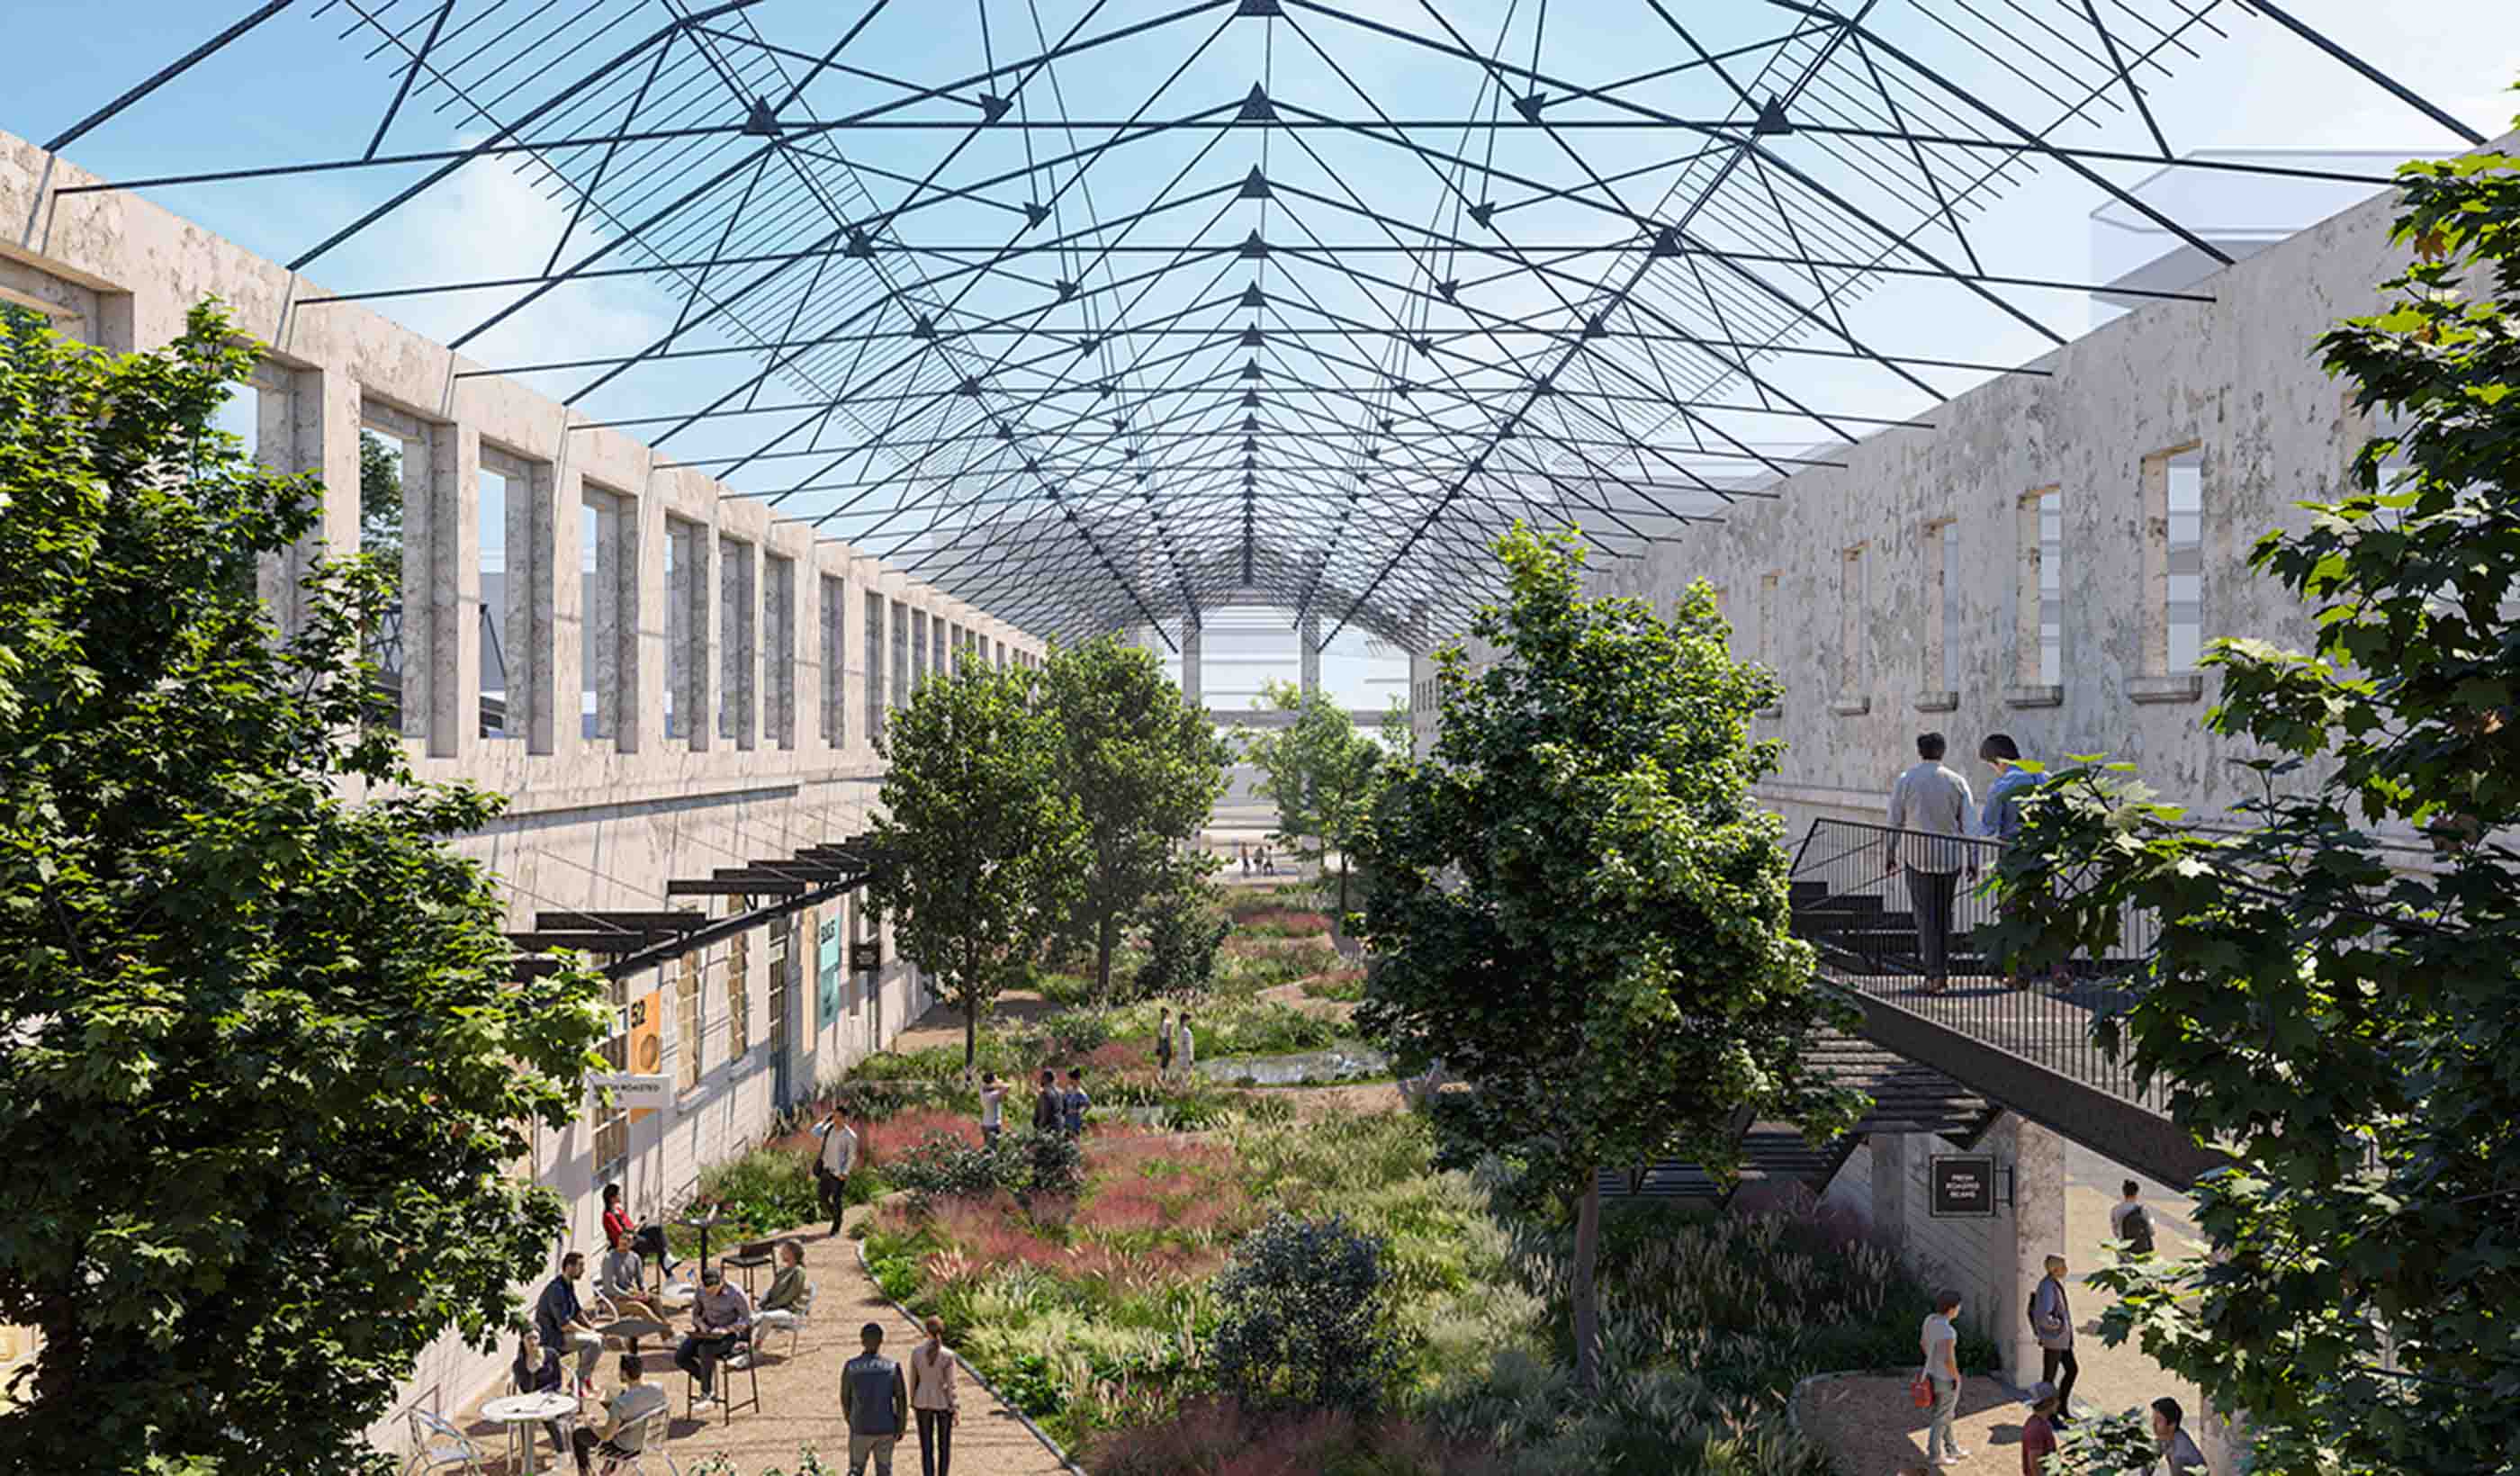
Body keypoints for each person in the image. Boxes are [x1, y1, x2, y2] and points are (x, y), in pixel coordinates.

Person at [1976, 734, 2072, 991]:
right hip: (2044, 854)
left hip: (2013, 856)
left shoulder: (2001, 786)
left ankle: (2018, 973)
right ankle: (2060, 969)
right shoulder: (2044, 776)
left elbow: (1989, 826)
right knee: (2048, 911)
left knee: (2012, 914)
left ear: (1997, 761)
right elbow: (2061, 813)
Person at [1886, 732, 1976, 993]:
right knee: (1944, 914)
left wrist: (1889, 853)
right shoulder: (1956, 781)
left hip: (1918, 857)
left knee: (1925, 917)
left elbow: (1895, 819)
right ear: (1942, 751)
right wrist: (1973, 858)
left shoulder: (1907, 779)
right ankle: (1942, 971)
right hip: (1949, 857)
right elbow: (1969, 824)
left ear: (1920, 751)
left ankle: (1933, 975)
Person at [571, 1354, 669, 1475]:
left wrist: (590, 1423)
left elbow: (606, 1436)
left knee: (578, 1435)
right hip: (650, 1441)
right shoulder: (658, 1388)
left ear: (624, 1374)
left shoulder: (621, 1403)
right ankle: (607, 1469)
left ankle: (586, 1473)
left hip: (626, 1448)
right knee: (617, 1427)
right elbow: (639, 1406)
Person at [673, 1265, 752, 1410]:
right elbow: (695, 1315)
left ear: (721, 1282)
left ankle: (706, 1393)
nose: (710, 1294)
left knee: (704, 1350)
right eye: (707, 1291)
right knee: (680, 1356)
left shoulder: (735, 1293)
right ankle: (705, 1379)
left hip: (729, 1335)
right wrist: (701, 1324)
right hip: (706, 1331)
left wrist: (727, 1329)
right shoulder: (700, 1290)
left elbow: (747, 1320)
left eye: (713, 1290)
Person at [843, 1320, 912, 1476]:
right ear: (881, 1341)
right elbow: (901, 1399)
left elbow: (845, 1398)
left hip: (860, 1426)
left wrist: (850, 1419)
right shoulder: (892, 1367)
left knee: (856, 1469)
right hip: (886, 1427)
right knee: (884, 1470)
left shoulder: (851, 1367)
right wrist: (901, 1425)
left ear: (862, 1340)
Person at [536, 1252, 605, 1398]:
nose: (583, 1270)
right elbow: (565, 1325)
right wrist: (589, 1333)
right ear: (569, 1267)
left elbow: (578, 1311)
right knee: (594, 1342)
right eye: (581, 1266)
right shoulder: (557, 1290)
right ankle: (577, 1383)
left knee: (599, 1338)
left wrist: (591, 1327)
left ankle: (586, 1379)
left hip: (564, 1334)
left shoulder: (567, 1284)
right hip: (553, 1339)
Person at [907, 1314, 958, 1476]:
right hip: (942, 1401)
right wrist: (954, 1406)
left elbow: (913, 1379)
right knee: (944, 1446)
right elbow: (950, 1384)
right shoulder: (948, 1355)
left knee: (926, 1447)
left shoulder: (916, 1353)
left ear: (926, 1331)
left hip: (922, 1400)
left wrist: (912, 1399)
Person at [1920, 1289, 1966, 1466]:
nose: (1959, 1309)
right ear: (1952, 1309)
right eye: (1958, 1307)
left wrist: (1933, 1360)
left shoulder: (1929, 1320)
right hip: (1946, 1379)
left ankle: (1952, 1448)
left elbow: (1923, 1344)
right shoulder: (1948, 1331)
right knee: (1942, 1417)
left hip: (1931, 1374)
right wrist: (1956, 1377)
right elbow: (1949, 1359)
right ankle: (1935, 1454)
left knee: (1945, 1414)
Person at [2030, 1254, 2078, 1420]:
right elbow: (2044, 1317)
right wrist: (2060, 1325)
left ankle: (2062, 1408)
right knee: (2048, 1381)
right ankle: (2050, 1415)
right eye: (2064, 1267)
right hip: (2054, 1340)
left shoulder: (2052, 1283)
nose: (2066, 1269)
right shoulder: (2047, 1287)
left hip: (2061, 1340)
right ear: (2056, 1269)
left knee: (2071, 1370)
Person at [608, 1183, 677, 1279]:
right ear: (612, 1198)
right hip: (628, 1242)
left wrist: (639, 1225)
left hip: (634, 1234)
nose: (621, 1195)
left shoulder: (618, 1209)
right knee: (658, 1244)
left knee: (657, 1230)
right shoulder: (609, 1215)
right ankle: (668, 1267)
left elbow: (630, 1226)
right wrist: (636, 1227)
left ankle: (667, 1260)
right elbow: (621, 1233)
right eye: (618, 1194)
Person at [597, 1228, 662, 1324]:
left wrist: (645, 1290)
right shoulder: (609, 1258)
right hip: (614, 1299)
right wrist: (630, 1296)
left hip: (631, 1293)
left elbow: (640, 1280)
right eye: (623, 1238)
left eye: (628, 1240)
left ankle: (664, 1326)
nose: (624, 1241)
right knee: (640, 1308)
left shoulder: (635, 1257)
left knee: (655, 1299)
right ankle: (663, 1326)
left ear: (633, 1243)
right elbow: (610, 1287)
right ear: (619, 1239)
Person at [817, 1109, 860, 1238]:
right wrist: (825, 1120)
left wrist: (845, 1172)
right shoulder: (829, 1129)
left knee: (836, 1200)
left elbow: (852, 1157)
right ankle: (836, 1216)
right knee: (822, 1198)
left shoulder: (850, 1136)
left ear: (845, 1118)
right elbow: (815, 1132)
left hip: (838, 1173)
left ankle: (836, 1227)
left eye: (839, 1117)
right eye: (834, 1116)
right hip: (825, 1169)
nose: (835, 1119)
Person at [757, 1239, 810, 1323]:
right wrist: (762, 1304)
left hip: (789, 1311)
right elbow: (771, 1291)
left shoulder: (798, 1272)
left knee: (763, 1317)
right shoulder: (783, 1271)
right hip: (774, 1308)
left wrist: (771, 1306)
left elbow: (789, 1295)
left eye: (784, 1250)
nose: (780, 1253)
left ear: (791, 1253)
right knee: (754, 1317)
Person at [2152, 1396, 2209, 1473]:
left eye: (2159, 1420)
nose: (2154, 1424)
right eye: (2153, 1418)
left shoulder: (2180, 1455)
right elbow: (2149, 1462)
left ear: (2172, 1425)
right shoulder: (2166, 1438)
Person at [2019, 1380, 2061, 1476]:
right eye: (2056, 1400)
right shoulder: (2037, 1429)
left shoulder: (2040, 1422)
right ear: (2048, 1403)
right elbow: (2035, 1465)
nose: (2059, 1403)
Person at [2110, 1179, 2157, 1256]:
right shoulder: (2142, 1210)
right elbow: (2151, 1231)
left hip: (2123, 1248)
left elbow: (2115, 1232)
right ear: (2136, 1193)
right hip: (2140, 1249)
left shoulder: (2115, 1210)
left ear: (2124, 1193)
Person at [977, 1072, 1007, 1149]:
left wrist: (995, 1083)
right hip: (993, 1126)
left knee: (988, 1149)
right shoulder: (994, 1095)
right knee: (993, 1150)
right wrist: (998, 1083)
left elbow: (984, 1085)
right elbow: (1007, 1086)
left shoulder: (982, 1092)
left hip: (986, 1124)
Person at [1061, 1067, 1091, 1136]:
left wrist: (1077, 1112)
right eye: (1070, 1079)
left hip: (1076, 1124)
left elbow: (1087, 1105)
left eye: (1072, 1080)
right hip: (1066, 1123)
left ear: (1077, 1080)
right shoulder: (1068, 1091)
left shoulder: (1080, 1093)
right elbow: (1063, 1102)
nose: (1070, 1081)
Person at [1031, 1068, 1062, 1132]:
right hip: (1058, 1126)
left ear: (1045, 1079)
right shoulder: (1059, 1092)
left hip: (1047, 1128)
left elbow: (1045, 1112)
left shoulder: (1045, 1093)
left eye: (1042, 1078)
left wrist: (1040, 1125)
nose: (1041, 1080)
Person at [1155, 1008, 1174, 1084]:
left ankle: (1163, 1076)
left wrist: (1158, 1045)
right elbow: (1169, 1035)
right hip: (1165, 1041)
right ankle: (1164, 1076)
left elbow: (1159, 1035)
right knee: (1166, 1058)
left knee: (1164, 1058)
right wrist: (1171, 1046)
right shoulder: (1167, 1022)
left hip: (1162, 1041)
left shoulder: (1162, 1022)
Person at [1177, 1012, 1195, 1084]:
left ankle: (1183, 1088)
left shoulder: (1180, 1030)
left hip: (1181, 1056)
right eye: (1189, 1020)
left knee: (1183, 1077)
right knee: (1187, 1078)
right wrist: (1191, 1059)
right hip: (1186, 1057)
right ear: (1185, 1020)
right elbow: (1189, 1046)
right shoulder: (1187, 1032)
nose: (1189, 1022)